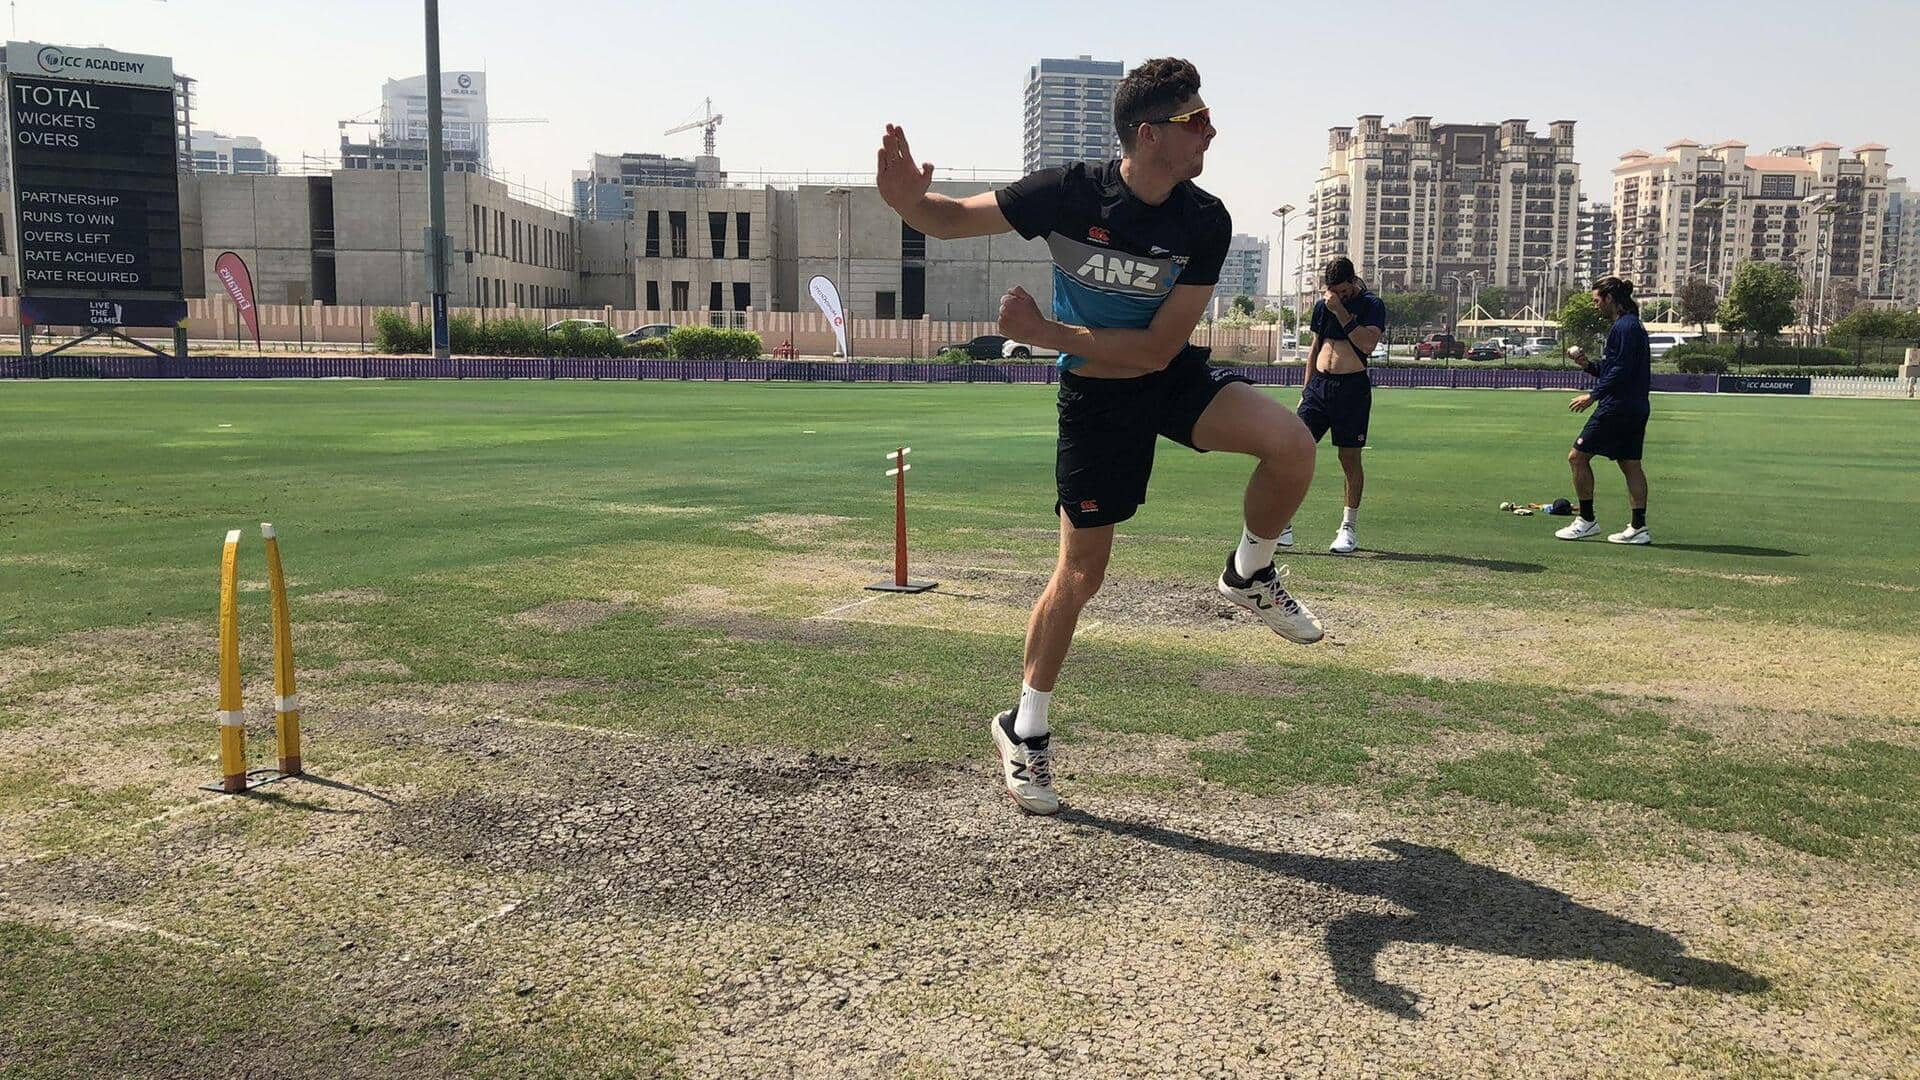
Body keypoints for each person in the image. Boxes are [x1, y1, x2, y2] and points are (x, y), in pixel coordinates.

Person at [875, 58, 1324, 816]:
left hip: (1164, 376)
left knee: (1292, 444)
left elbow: (1155, 349)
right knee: (1080, 579)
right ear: (1150, 135)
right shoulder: (1068, 192)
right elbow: (950, 218)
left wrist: (1044, 331)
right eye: (1196, 121)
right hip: (1095, 400)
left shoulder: (1204, 220)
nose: (1210, 131)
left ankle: (1249, 573)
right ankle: (1024, 728)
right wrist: (906, 203)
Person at [1288, 257, 1386, 553]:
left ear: (1353, 282)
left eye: (1342, 291)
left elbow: (1367, 344)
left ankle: (1348, 528)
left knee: (1349, 458)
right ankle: (1282, 525)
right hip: (1319, 387)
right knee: (1292, 449)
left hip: (1351, 389)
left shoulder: (1371, 304)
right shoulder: (1323, 306)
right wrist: (1306, 390)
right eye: (1333, 291)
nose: (1337, 295)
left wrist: (1340, 310)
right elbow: (1315, 347)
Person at [1557, 276, 1652, 545]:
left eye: (1597, 300)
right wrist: (1587, 365)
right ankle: (1638, 528)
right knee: (1630, 463)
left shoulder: (1625, 327)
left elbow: (1621, 371)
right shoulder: (1630, 325)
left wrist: (1593, 396)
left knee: (1577, 458)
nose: (1595, 305)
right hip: (1635, 406)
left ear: (1610, 299)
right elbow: (1614, 369)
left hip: (1617, 407)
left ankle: (1586, 521)